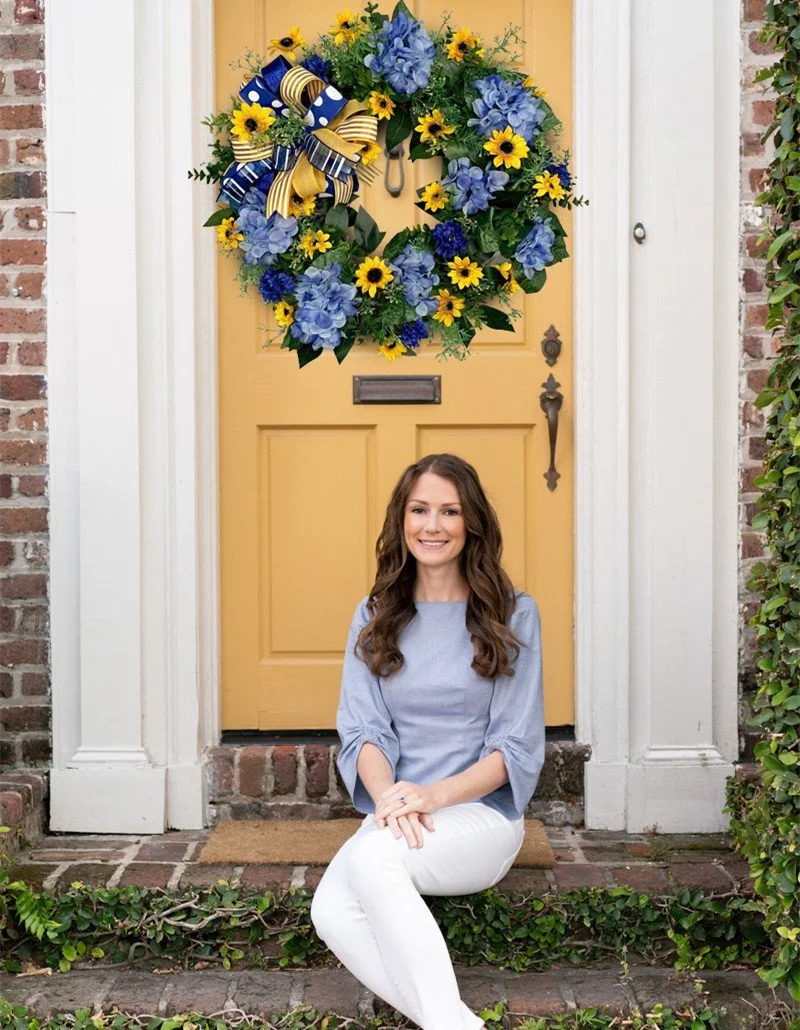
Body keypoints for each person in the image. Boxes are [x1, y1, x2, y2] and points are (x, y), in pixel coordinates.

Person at [310, 453, 545, 1030]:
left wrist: (431, 798)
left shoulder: (514, 615)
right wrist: (391, 799)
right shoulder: (374, 615)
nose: (432, 526)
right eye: (419, 510)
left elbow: (514, 747)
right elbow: (363, 730)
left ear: (472, 525)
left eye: (449, 511)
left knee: (371, 861)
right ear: (401, 520)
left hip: (478, 817)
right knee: (330, 911)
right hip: (398, 815)